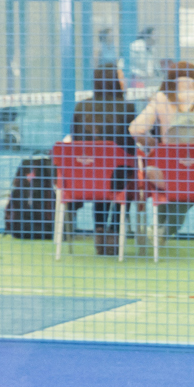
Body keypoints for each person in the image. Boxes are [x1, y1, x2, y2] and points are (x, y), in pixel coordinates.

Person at [129, 61, 194, 241]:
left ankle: (157, 232)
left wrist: (155, 145)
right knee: (189, 186)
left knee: (168, 180)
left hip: (165, 174)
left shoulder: (160, 99)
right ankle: (162, 232)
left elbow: (135, 129)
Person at [70, 64, 136, 255]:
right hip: (118, 176)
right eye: (121, 77)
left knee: (101, 174)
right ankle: (115, 229)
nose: (124, 80)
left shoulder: (81, 107)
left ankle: (100, 230)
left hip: (86, 176)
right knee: (122, 175)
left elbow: (75, 140)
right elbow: (131, 146)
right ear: (113, 81)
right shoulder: (127, 108)